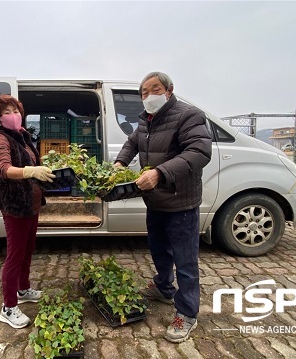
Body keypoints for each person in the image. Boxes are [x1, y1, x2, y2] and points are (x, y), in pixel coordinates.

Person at [114, 71, 212, 342]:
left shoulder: (188, 115)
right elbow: (132, 142)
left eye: (153, 90)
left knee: (186, 262)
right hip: (155, 201)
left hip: (181, 202)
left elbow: (199, 152)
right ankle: (164, 288)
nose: (148, 96)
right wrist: (121, 162)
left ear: (168, 90)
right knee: (159, 251)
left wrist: (158, 173)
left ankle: (187, 313)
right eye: (143, 93)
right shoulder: (146, 120)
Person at [0, 94, 55, 329]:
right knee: (14, 255)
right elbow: (5, 169)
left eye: (15, 110)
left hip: (31, 203)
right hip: (15, 204)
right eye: (6, 112)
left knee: (27, 250)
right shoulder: (0, 140)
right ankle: (8, 307)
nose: (12, 115)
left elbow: (34, 161)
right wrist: (29, 172)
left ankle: (23, 289)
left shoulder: (22, 136)